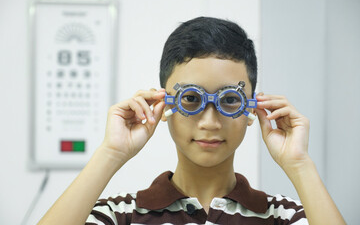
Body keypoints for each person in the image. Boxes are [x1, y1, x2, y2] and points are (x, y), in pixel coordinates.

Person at [38, 17, 345, 224]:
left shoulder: (285, 216)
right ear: (162, 103)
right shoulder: (120, 216)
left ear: (253, 109)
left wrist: (300, 165)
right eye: (191, 99)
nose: (210, 122)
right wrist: (111, 153)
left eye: (229, 100)